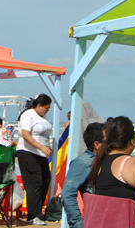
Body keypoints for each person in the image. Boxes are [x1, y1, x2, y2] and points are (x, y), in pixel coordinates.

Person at [16, 94, 53, 226]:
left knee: (45, 180)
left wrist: (47, 147)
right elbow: (26, 135)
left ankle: (38, 212)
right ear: (39, 105)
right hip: (28, 153)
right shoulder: (28, 115)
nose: (47, 110)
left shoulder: (43, 117)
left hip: (41, 154)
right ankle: (33, 215)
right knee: (34, 184)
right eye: (46, 108)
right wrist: (42, 147)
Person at [62, 122, 105, 228]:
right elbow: (67, 193)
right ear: (97, 144)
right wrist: (78, 222)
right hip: (92, 220)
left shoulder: (104, 160)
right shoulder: (83, 162)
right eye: (107, 142)